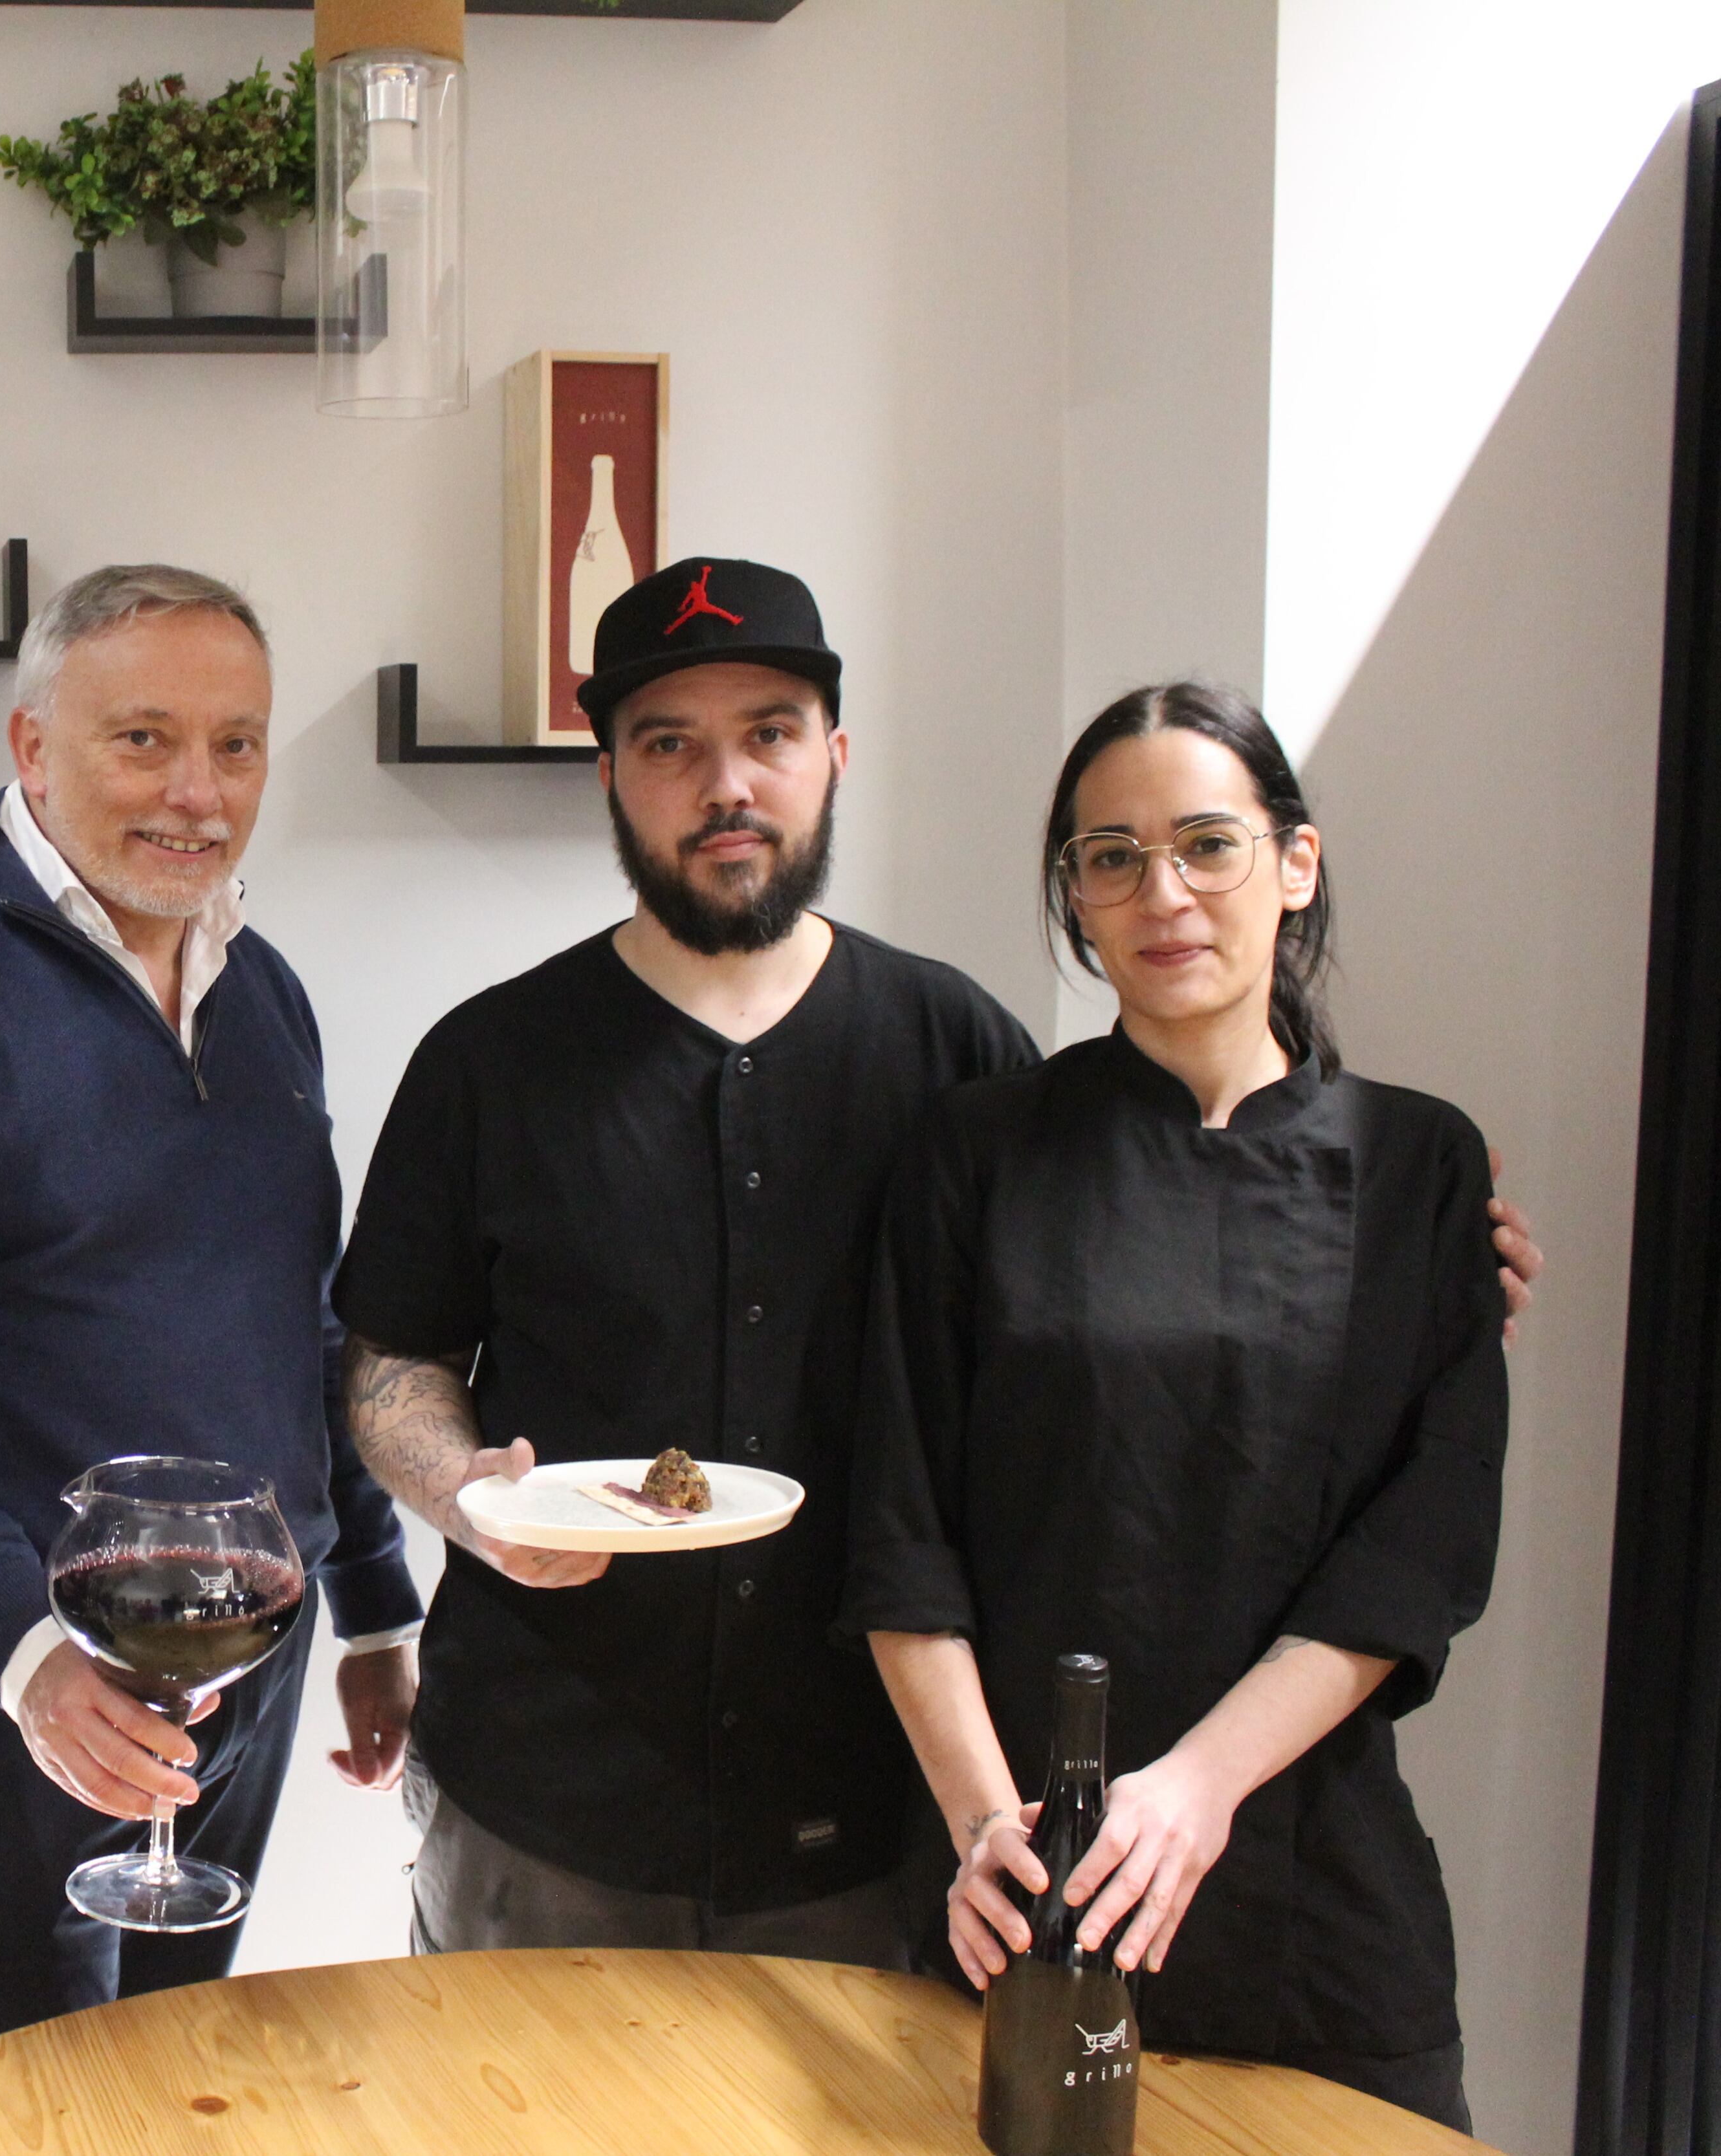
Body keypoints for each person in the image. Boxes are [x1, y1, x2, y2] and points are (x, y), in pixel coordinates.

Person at [334, 560, 1542, 1967]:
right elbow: (386, 1361)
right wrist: (464, 1495)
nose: (727, 782)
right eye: (670, 743)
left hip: (874, 1813)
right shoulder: (491, 1058)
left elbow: (1117, 1284)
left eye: (770, 733)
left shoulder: (960, 1055)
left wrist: (1394, 1252)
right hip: (541, 1794)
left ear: (833, 758)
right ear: (611, 774)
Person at [0, 563, 426, 2058]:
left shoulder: (264, 993)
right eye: (143, 739)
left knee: (176, 2072)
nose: (199, 791)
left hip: (248, 1645)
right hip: (23, 1678)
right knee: (22, 2094)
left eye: (238, 743)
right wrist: (26, 1661)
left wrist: (376, 1596)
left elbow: (302, 1323)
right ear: (29, 748)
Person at [844, 682, 1497, 2131]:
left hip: (1315, 1894)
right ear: (1075, 894)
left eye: (1208, 843)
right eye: (1112, 856)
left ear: (1296, 863)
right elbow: (901, 1530)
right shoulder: (975, 1151)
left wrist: (1195, 1787)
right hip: (1017, 1883)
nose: (1165, 893)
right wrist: (979, 1827)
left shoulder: (1421, 1166)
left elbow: (1421, 1545)